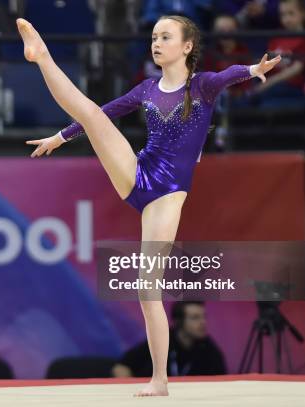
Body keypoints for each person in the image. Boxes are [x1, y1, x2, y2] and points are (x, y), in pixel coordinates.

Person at [17, 16, 279, 396]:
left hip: (168, 194)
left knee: (146, 287)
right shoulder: (146, 88)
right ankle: (42, 56)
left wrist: (255, 69)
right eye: (154, 37)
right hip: (137, 172)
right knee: (90, 112)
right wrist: (60, 136)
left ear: (187, 46)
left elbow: (229, 75)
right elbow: (104, 112)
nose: (156, 43)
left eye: (166, 37)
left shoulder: (201, 85)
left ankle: (159, 380)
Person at [113, 301, 227, 377]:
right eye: (195, 318)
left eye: (204, 317)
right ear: (178, 321)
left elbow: (222, 381)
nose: (203, 322)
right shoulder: (162, 340)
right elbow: (121, 368)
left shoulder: (208, 348)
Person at [246, 0, 305, 107]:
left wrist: (268, 83)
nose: (287, 19)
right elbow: (267, 62)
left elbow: (296, 69)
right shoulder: (277, 37)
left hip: (291, 86)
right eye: (283, 15)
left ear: (303, 14)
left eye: (291, 13)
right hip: (268, 83)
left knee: (257, 97)